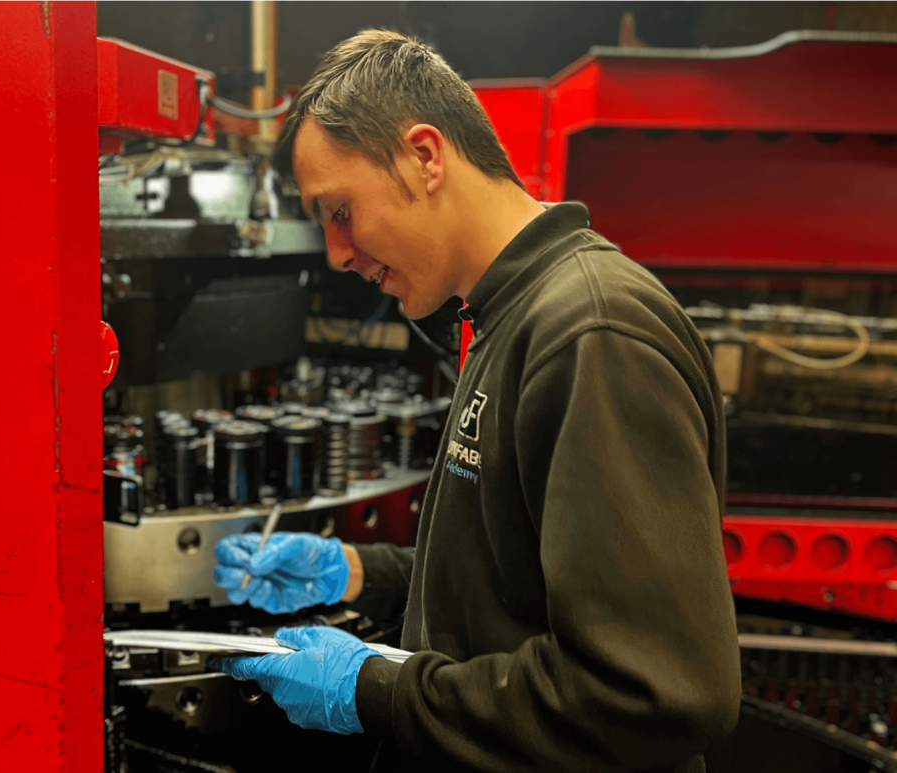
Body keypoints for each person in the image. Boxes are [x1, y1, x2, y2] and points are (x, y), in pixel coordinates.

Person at [213, 29, 741, 773]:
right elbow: (515, 581)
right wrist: (361, 572)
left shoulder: (590, 330)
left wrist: (378, 690)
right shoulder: (505, 314)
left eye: (339, 212)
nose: (338, 254)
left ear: (425, 156)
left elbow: (652, 692)